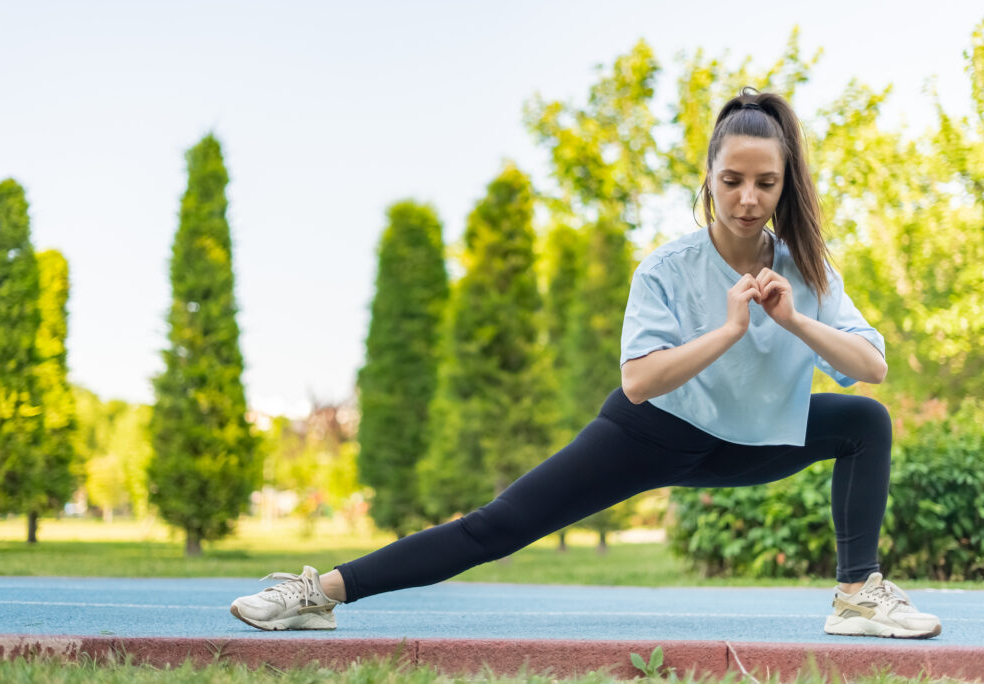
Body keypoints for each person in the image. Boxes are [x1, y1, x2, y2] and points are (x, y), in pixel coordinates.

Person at [230, 88, 942, 639]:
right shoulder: (667, 267)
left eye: (765, 182)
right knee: (495, 528)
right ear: (709, 178)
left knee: (864, 421)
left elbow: (870, 364)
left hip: (751, 441)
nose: (748, 199)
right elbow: (638, 380)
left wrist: (794, 319)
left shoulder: (806, 269)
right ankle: (317, 594)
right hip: (651, 433)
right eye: (732, 180)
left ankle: (857, 597)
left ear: (786, 184)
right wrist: (728, 331)